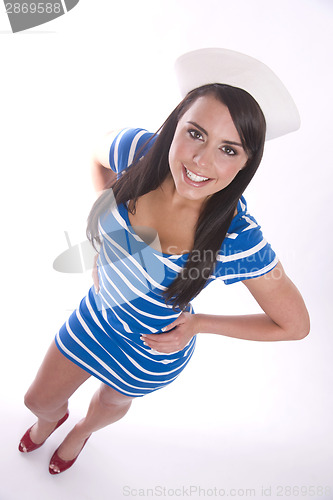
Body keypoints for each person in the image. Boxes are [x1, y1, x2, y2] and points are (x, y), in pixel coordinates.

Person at [18, 48, 310, 475]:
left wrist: (198, 324)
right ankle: (51, 419)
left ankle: (81, 431)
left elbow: (295, 325)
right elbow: (97, 155)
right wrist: (109, 242)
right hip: (96, 316)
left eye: (229, 149)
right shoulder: (139, 151)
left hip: (150, 350)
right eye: (196, 134)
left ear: (247, 163)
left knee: (112, 401)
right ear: (176, 125)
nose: (201, 161)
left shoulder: (237, 236)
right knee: (36, 399)